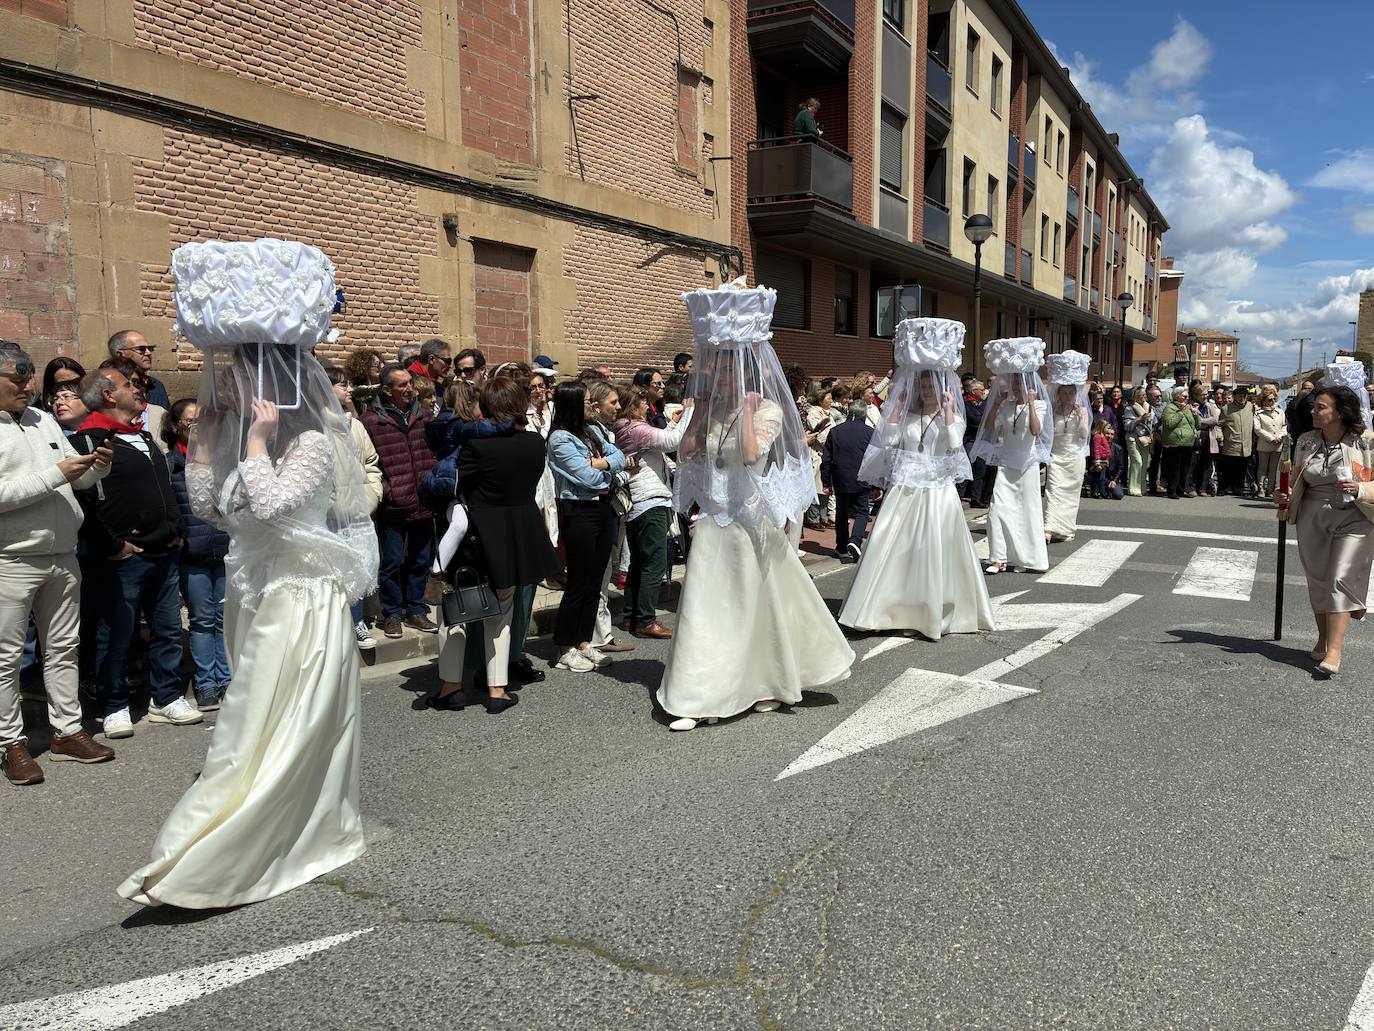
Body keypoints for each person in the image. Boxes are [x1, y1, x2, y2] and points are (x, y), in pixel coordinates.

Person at [119, 238, 380, 908]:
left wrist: (257, 443)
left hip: (305, 600)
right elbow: (213, 509)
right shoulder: (240, 436)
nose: (223, 383)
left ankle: (242, 844)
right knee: (255, 717)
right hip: (258, 593)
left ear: (270, 382)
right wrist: (205, 446)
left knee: (279, 721)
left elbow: (270, 503)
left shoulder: (318, 440)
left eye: (237, 373)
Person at [658, 278, 853, 731]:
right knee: (709, 609)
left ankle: (764, 683)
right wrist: (700, 412)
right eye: (716, 366)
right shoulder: (708, 407)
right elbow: (686, 452)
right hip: (713, 519)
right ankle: (699, 693)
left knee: (754, 606)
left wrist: (745, 409)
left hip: (750, 520)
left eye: (727, 367)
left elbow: (749, 456)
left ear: (745, 369)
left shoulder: (767, 410)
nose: (718, 374)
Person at [0, 341, 114, 786]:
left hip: (62, 555)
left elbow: (74, 475)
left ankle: (67, 732)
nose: (29, 385)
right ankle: (11, 743)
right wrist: (56, 475)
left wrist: (95, 469)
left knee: (64, 648)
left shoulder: (42, 418)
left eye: (28, 376)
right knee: (6, 659)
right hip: (11, 559)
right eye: (18, 377)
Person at [838, 318, 994, 639]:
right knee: (897, 547)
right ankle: (888, 609)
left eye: (930, 387)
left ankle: (929, 612)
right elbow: (891, 443)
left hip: (937, 490)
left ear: (942, 389)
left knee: (932, 549)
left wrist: (950, 412)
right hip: (906, 488)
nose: (925, 392)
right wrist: (893, 416)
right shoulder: (908, 414)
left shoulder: (950, 415)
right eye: (922, 387)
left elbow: (954, 445)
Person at [71, 362, 196, 739]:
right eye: (129, 385)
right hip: (122, 558)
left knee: (168, 630)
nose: (139, 388)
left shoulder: (142, 437)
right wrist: (111, 545)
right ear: (109, 395)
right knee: (116, 635)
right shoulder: (88, 440)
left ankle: (167, 697)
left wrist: (176, 530)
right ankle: (114, 705)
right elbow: (84, 504)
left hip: (163, 553)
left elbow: (164, 489)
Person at [428, 377, 559, 713]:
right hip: (517, 537)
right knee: (502, 615)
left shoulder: (477, 447)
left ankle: (451, 687)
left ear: (485, 407)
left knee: (456, 615)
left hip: (477, 539)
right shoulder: (534, 443)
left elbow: (454, 485)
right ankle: (497, 690)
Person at [1276, 386, 1374, 678]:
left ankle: (1335, 650)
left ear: (1339, 412)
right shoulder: (1306, 441)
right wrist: (1284, 495)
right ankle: (1323, 637)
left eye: (1320, 407)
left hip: (1356, 517)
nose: (1313, 412)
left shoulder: (1366, 443)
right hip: (1312, 517)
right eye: (1314, 407)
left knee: (1340, 579)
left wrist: (1361, 488)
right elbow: (1295, 481)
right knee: (1318, 579)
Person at [548, 380, 629, 672]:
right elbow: (586, 478)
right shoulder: (560, 439)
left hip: (602, 508)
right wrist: (606, 468)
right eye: (585, 402)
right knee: (579, 581)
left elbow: (618, 455)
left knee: (595, 581)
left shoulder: (592, 431)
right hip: (579, 511)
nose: (591, 406)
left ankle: (584, 641)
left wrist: (602, 463)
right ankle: (565, 645)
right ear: (572, 404)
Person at [162, 398, 232, 711]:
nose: (197, 427)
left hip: (225, 548)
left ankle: (228, 678)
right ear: (176, 426)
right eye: (190, 421)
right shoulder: (171, 464)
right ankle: (206, 683)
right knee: (202, 621)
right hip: (193, 554)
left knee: (225, 619)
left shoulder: (222, 458)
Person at [611, 382, 693, 638]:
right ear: (633, 406)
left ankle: (631, 616)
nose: (647, 404)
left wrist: (673, 421)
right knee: (653, 563)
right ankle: (646, 620)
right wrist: (689, 412)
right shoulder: (635, 428)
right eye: (642, 401)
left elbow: (659, 442)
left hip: (639, 500)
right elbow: (672, 441)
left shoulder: (627, 428)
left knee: (639, 561)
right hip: (649, 499)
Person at [362, 363, 438, 638]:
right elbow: (366, 463)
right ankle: (392, 614)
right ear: (386, 389)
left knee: (420, 559)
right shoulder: (371, 421)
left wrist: (433, 480)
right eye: (402, 385)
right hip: (393, 504)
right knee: (391, 561)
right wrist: (387, 489)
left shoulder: (425, 415)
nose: (410, 389)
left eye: (410, 383)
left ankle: (416, 609)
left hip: (423, 499)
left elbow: (436, 451)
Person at [971, 338, 1052, 574]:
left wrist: (1030, 402)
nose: (1016, 389)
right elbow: (987, 428)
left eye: (1020, 385)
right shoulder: (1006, 406)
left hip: (1026, 465)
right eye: (1013, 385)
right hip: (1006, 465)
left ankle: (1026, 558)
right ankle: (998, 558)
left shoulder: (1039, 406)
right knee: (997, 510)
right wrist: (996, 404)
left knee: (1025, 513)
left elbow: (1036, 431)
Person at [323, 365, 384, 649]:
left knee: (359, 568)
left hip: (358, 512)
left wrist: (372, 494)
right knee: (334, 572)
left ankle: (357, 621)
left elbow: (371, 462)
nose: (349, 390)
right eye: (342, 385)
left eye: (349, 384)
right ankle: (336, 627)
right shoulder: (314, 426)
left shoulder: (355, 425)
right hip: (329, 516)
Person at [1043, 350, 1091, 541]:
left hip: (1074, 456)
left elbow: (1083, 435)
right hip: (1057, 454)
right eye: (1064, 392)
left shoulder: (1082, 411)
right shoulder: (1053, 410)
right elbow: (1047, 432)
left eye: (1071, 392)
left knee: (1070, 495)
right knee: (1053, 490)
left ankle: (1065, 529)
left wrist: (1080, 419)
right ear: (1059, 393)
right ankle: (1048, 526)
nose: (1067, 395)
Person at [820, 400, 876, 560]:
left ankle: (842, 546)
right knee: (862, 511)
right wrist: (877, 483)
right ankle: (856, 540)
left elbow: (827, 458)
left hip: (840, 477)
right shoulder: (869, 432)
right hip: (862, 477)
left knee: (842, 512)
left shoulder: (835, 431)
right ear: (864, 414)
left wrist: (826, 481)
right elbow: (875, 458)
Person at [107, 329, 170, 409]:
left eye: (149, 348)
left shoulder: (156, 385)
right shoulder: (106, 383)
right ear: (121, 353)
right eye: (141, 349)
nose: (148, 353)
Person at [1160, 386, 1200, 499]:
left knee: (1185, 468)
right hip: (1175, 443)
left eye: (1188, 396)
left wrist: (1196, 414)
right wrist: (1180, 412)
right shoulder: (1170, 408)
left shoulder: (1188, 408)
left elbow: (1197, 425)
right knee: (1175, 468)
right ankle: (1172, 491)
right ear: (1177, 397)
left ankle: (1181, 490)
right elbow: (1169, 424)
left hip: (1188, 443)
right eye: (1185, 396)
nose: (1187, 398)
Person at [1218, 385, 1255, 496]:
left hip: (1246, 444)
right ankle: (1223, 488)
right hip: (1231, 444)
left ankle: (1238, 488)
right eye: (1239, 396)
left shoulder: (1251, 407)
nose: (1242, 398)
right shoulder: (1226, 409)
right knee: (1228, 468)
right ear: (1234, 397)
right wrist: (1220, 437)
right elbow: (1219, 425)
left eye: (1244, 396)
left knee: (1242, 469)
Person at [1254, 384, 1288, 499]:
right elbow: (1257, 429)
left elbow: (1284, 426)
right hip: (1264, 444)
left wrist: (1279, 436)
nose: (1272, 401)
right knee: (1263, 467)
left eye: (1274, 399)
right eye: (1269, 399)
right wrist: (1271, 438)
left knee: (1273, 469)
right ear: (1264, 399)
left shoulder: (1280, 412)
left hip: (1278, 444)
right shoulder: (1258, 413)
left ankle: (1270, 489)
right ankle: (1261, 488)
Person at [961, 378, 988, 507]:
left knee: (980, 471)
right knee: (966, 469)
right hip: (970, 440)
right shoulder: (965, 403)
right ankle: (959, 496)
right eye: (982, 390)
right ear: (974, 391)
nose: (984, 392)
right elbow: (975, 421)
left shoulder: (984, 404)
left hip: (982, 441)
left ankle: (975, 498)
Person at [1190, 383, 1220, 497]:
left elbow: (1215, 420)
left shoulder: (1210, 406)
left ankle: (1203, 488)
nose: (1205, 396)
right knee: (1194, 463)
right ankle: (1191, 487)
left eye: (1206, 394)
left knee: (1206, 463)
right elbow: (1193, 421)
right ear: (1196, 395)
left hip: (1209, 436)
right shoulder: (1191, 405)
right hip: (1196, 436)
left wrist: (1201, 420)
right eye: (1203, 395)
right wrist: (1204, 421)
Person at [1122, 386, 1153, 497]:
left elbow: (1152, 423)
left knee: (1144, 463)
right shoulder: (1129, 408)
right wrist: (1140, 419)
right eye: (1142, 395)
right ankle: (1133, 488)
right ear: (1136, 396)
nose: (1144, 397)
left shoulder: (1149, 407)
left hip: (1145, 438)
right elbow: (1127, 425)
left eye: (1145, 395)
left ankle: (1142, 488)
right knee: (1137, 461)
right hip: (1133, 437)